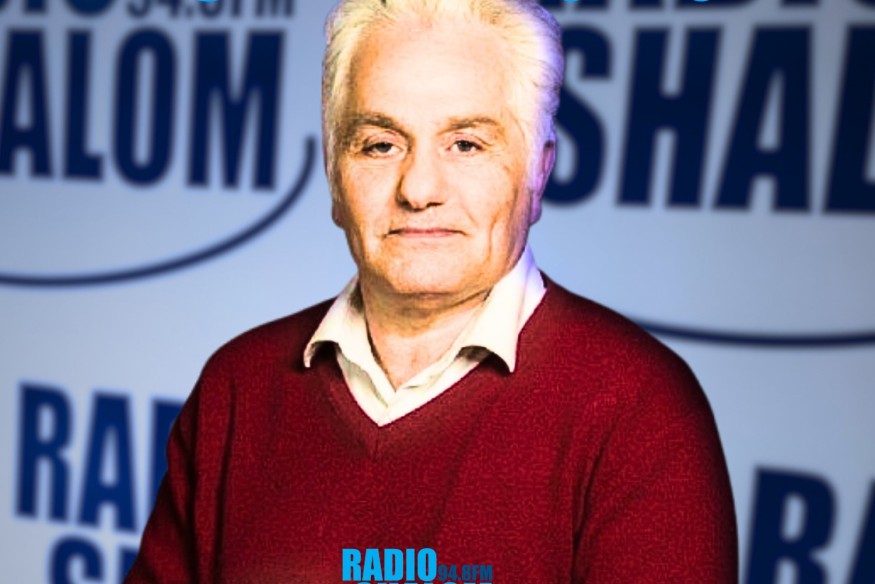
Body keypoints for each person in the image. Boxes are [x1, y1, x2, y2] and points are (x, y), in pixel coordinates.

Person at [126, 0, 738, 581]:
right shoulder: (239, 385)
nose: (418, 189)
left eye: (466, 144)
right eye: (381, 144)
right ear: (335, 176)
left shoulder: (638, 410)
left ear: (539, 170)